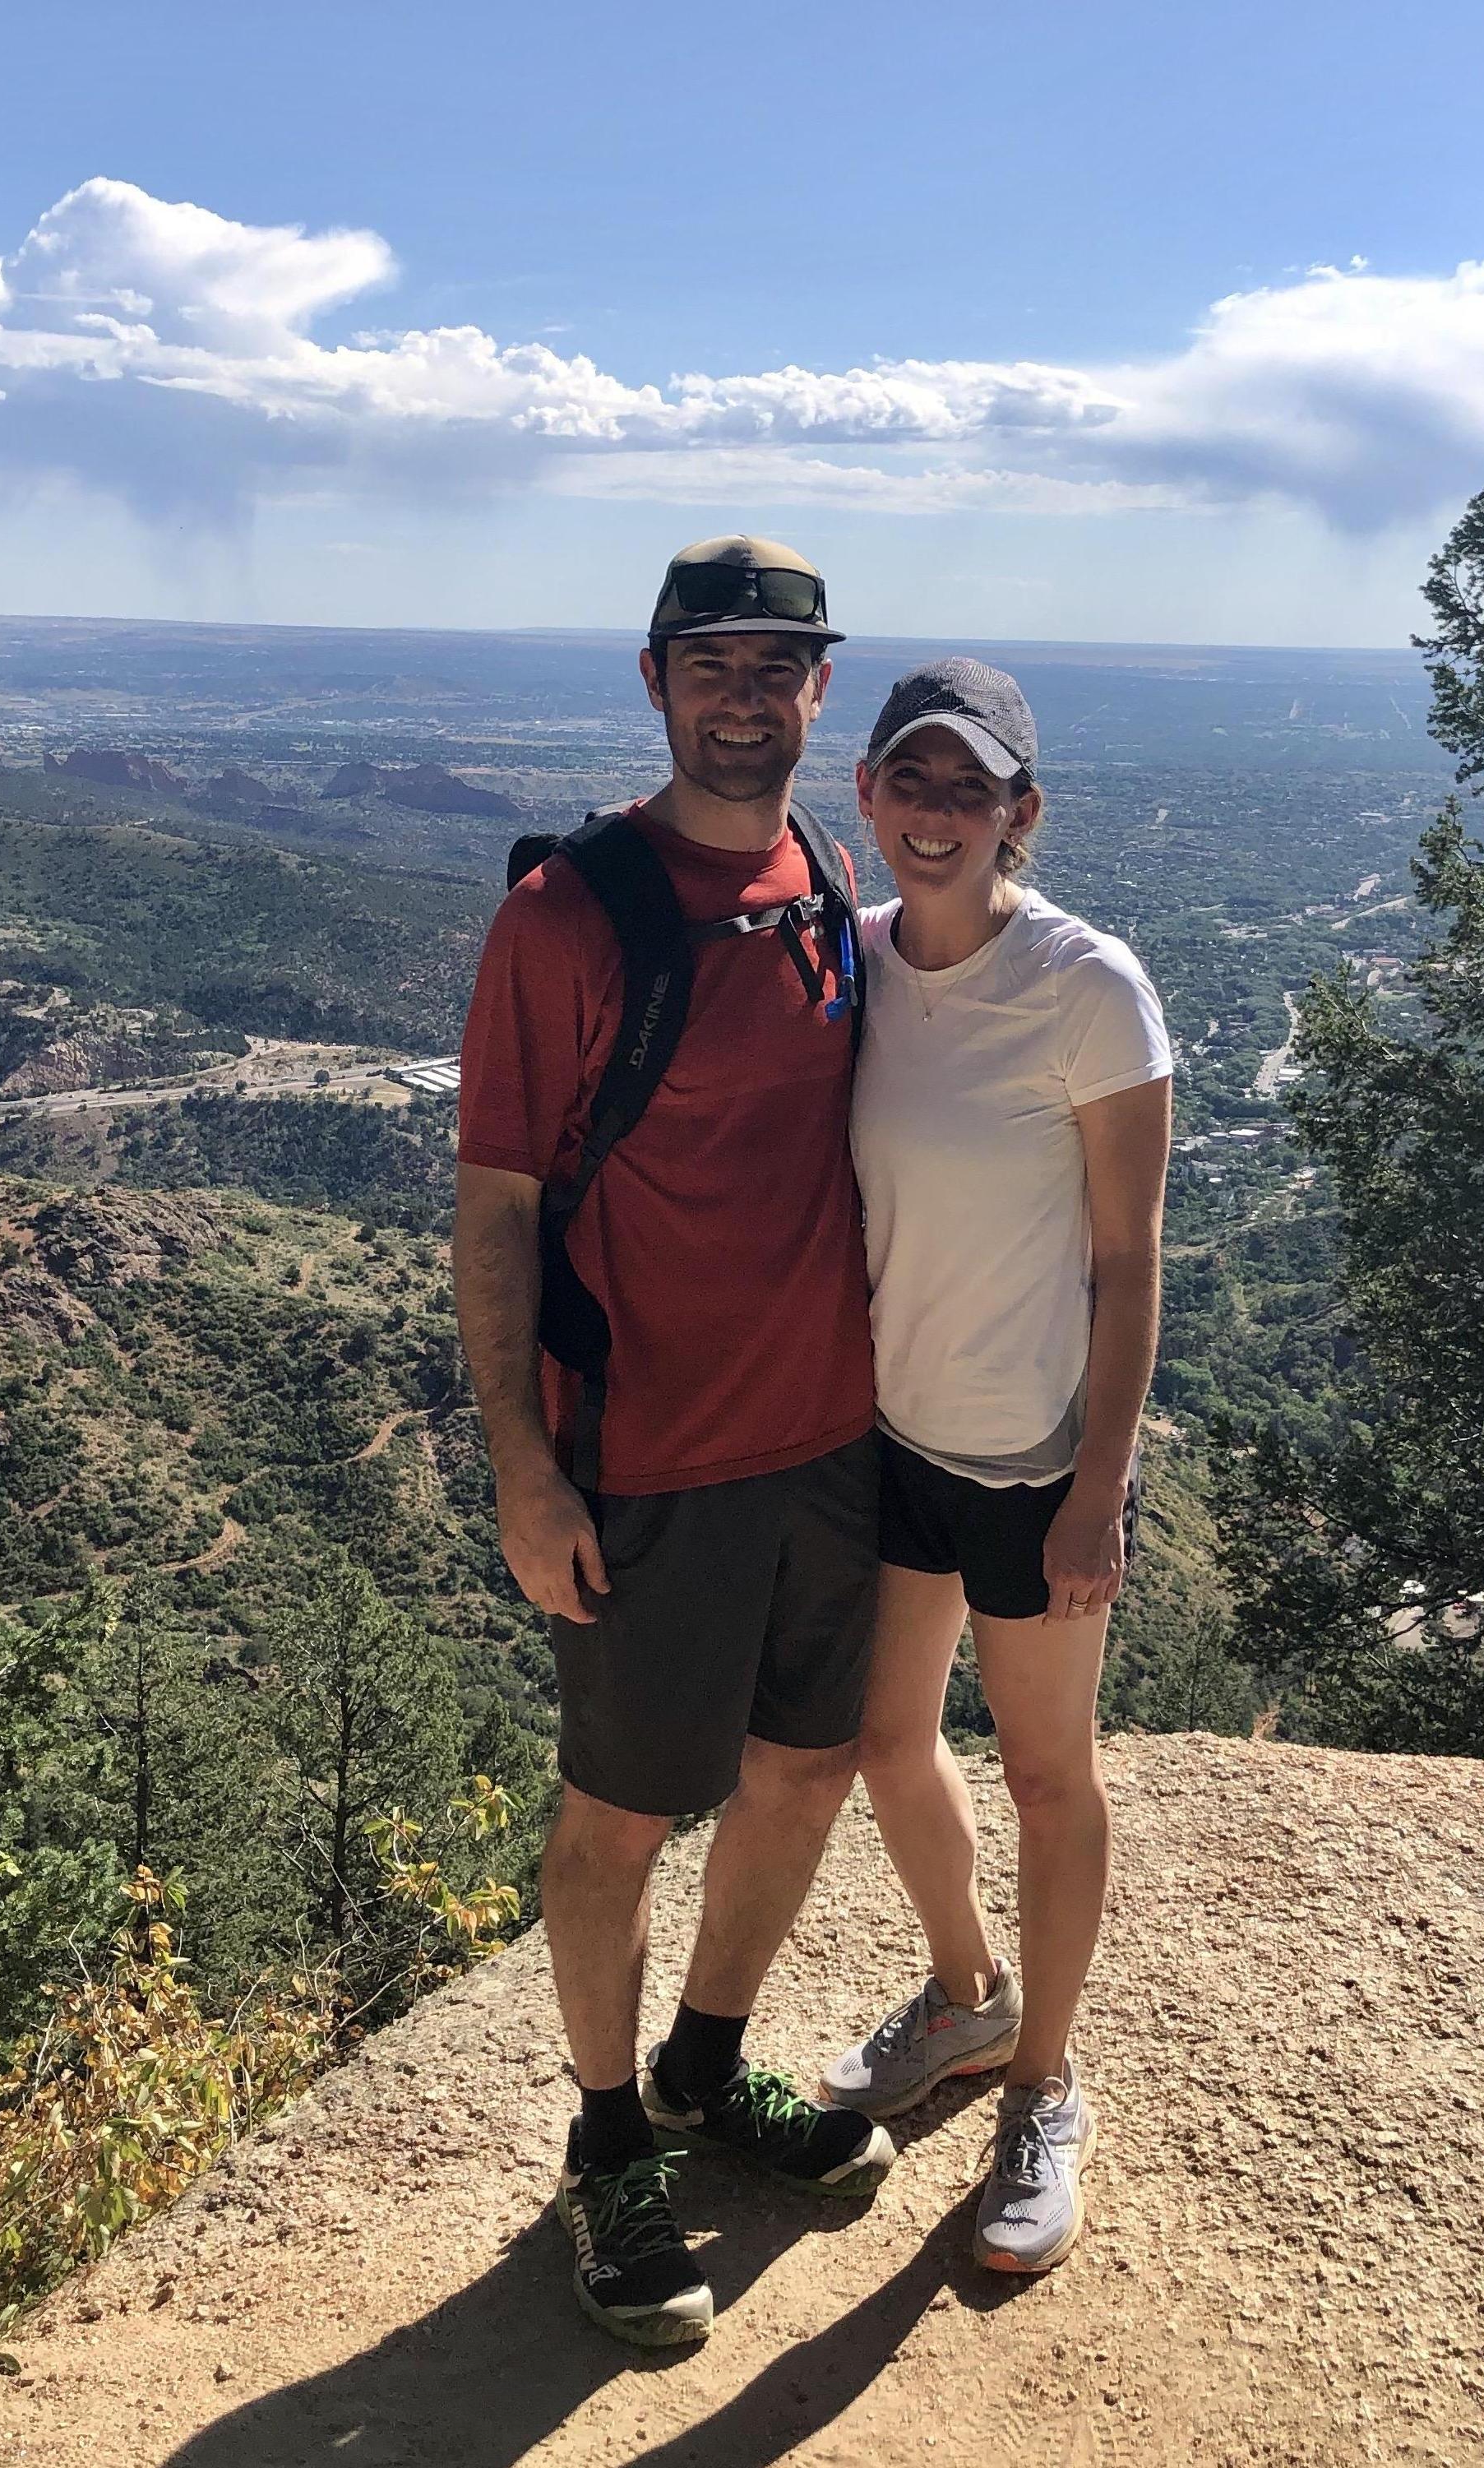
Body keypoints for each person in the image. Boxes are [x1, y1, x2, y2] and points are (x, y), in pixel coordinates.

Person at [452, 536, 893, 2350]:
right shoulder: (567, 916)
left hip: (836, 1442)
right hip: (646, 1459)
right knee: (620, 1816)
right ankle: (610, 2136)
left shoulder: (829, 876)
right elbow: (492, 1208)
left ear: (817, 688)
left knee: (804, 1772)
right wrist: (522, 1464)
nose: (740, 692)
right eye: (707, 660)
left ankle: (709, 2070)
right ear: (652, 681)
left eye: (774, 664)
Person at [821, 659, 1172, 2275]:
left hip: (1034, 1459)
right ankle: (970, 2003)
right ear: (871, 799)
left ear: (1021, 811)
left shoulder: (1091, 987)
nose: (939, 813)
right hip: (895, 1435)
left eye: (973, 788)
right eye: (915, 782)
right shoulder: (862, 963)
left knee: (1046, 1778)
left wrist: (1101, 1483)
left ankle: (1045, 2089)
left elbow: (1128, 1257)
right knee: (888, 1743)